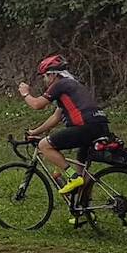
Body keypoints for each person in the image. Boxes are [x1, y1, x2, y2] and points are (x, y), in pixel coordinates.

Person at [18, 54, 110, 196]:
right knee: (82, 168)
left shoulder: (59, 85)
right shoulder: (72, 85)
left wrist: (25, 94)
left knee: (44, 145)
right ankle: (84, 211)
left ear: (53, 74)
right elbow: (56, 117)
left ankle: (72, 177)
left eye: (45, 76)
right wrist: (35, 132)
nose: (44, 80)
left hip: (84, 127)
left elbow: (37, 105)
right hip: (99, 125)